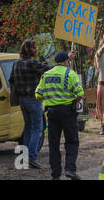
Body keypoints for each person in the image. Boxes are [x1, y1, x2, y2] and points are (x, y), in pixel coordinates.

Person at [35, 51, 84, 180]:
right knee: (72, 141)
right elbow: (80, 93)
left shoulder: (46, 75)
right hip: (67, 112)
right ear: (66, 61)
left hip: (52, 112)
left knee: (54, 143)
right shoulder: (70, 73)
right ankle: (69, 169)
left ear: (56, 62)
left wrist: (50, 100)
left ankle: (55, 175)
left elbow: (38, 95)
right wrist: (75, 100)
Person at [9, 39, 50, 169]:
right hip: (33, 99)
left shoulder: (16, 64)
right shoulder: (33, 63)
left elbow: (11, 80)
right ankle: (32, 157)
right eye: (34, 48)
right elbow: (50, 70)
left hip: (21, 100)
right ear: (28, 49)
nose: (36, 50)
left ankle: (23, 158)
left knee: (27, 128)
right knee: (37, 129)